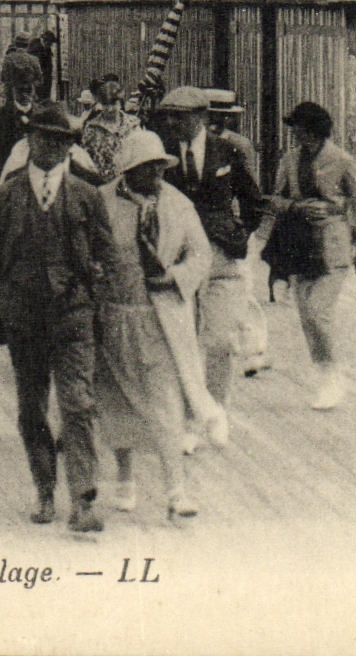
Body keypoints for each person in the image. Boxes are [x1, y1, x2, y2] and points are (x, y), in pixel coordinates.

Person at [0, 104, 114, 532]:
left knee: (79, 404)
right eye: (43, 137)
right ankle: (45, 489)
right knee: (32, 407)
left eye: (61, 140)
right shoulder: (4, 197)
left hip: (73, 316)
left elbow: (107, 253)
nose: (51, 146)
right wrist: (2, 301)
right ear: (29, 140)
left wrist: (95, 291)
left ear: (71, 147)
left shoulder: (88, 197)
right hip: (25, 320)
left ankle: (84, 499)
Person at [97, 130, 228, 522]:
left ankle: (177, 491)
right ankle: (124, 479)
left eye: (159, 168)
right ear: (129, 171)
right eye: (147, 169)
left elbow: (201, 254)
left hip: (162, 319)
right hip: (115, 315)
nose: (155, 176)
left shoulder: (178, 205)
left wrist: (175, 277)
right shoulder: (101, 203)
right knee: (116, 400)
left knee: (167, 402)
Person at [152, 86, 262, 444]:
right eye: (168, 115)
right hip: (180, 257)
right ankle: (187, 422)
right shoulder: (162, 156)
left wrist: (240, 234)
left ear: (201, 117)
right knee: (181, 342)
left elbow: (253, 200)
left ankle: (216, 409)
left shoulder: (227, 151)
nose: (172, 122)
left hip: (221, 257)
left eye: (179, 116)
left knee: (217, 340)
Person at [261, 101, 356, 410]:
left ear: (313, 130)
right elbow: (275, 201)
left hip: (333, 247)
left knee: (318, 313)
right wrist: (297, 207)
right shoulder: (289, 160)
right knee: (306, 317)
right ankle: (324, 377)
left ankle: (333, 375)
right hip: (299, 245)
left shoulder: (342, 161)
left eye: (298, 127)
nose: (294, 132)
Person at [204, 87, 269, 374]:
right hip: (208, 229)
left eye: (223, 116)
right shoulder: (197, 145)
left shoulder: (237, 146)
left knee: (241, 285)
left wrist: (242, 229)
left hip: (230, 228)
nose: (218, 122)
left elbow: (248, 189)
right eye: (213, 116)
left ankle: (254, 348)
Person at [79, 74, 143, 185]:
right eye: (105, 104)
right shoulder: (92, 128)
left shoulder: (133, 125)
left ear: (120, 101)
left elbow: (142, 155)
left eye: (113, 103)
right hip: (101, 185)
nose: (109, 109)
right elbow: (85, 161)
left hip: (130, 183)